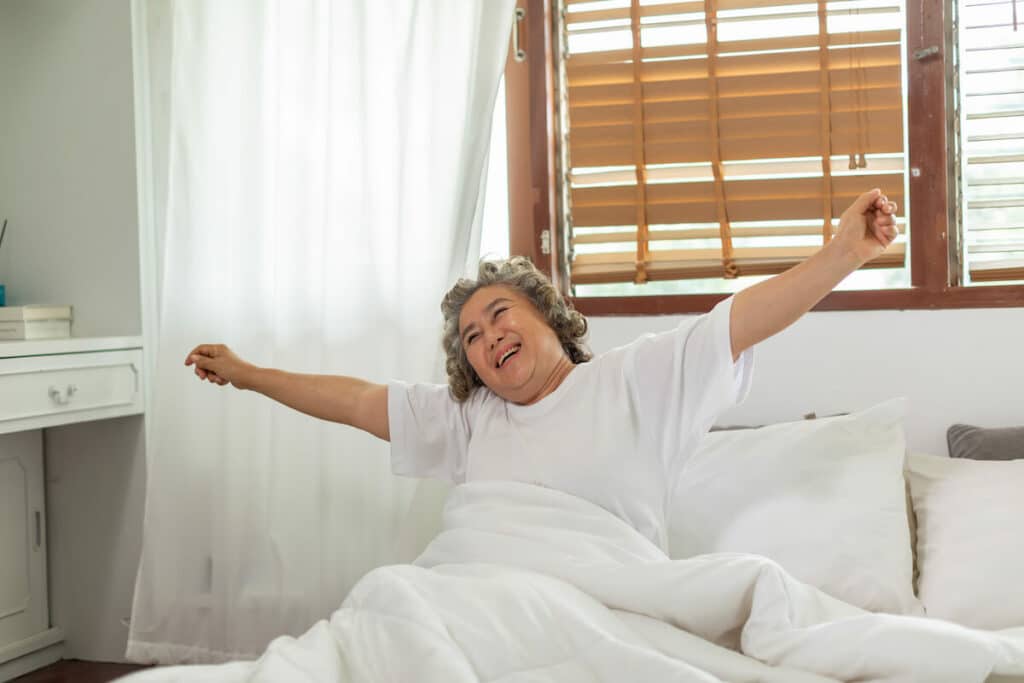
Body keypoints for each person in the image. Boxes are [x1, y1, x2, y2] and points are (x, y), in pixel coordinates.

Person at [185, 188, 900, 549]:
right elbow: (355, 400)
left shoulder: (635, 380)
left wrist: (841, 255)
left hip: (601, 600)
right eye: (470, 337)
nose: (487, 337)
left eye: (499, 315)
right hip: (474, 593)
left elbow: (741, 321)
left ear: (548, 313)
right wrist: (248, 372)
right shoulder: (469, 419)